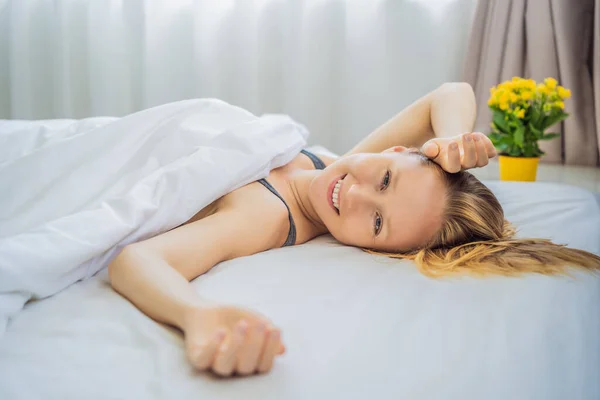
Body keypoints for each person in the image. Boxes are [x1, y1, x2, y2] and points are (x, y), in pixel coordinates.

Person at [107, 82, 600, 378]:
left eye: (378, 223)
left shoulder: (266, 215)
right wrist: (451, 139)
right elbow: (449, 94)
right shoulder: (335, 165)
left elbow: (136, 260)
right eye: (385, 180)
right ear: (397, 152)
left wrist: (195, 316)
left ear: (374, 248)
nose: (357, 196)